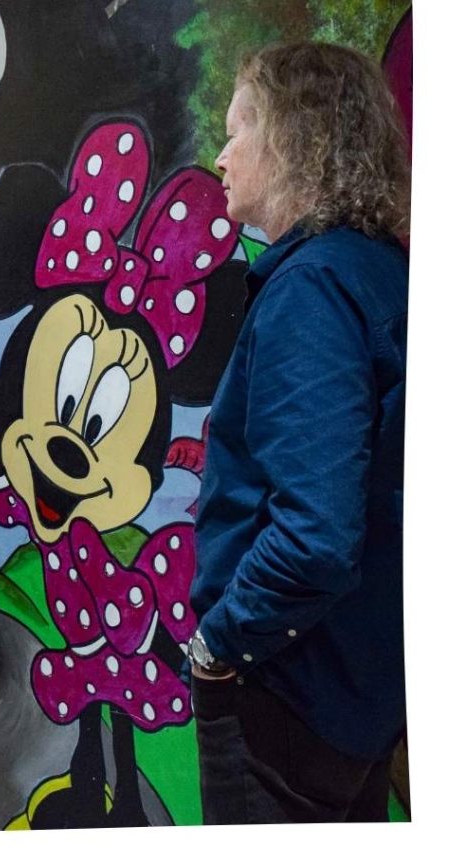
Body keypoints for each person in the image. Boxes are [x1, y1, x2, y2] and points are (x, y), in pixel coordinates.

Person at [188, 41, 410, 824]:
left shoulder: (314, 285)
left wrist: (220, 644)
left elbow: (315, 534)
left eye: (237, 129)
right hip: (361, 685)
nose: (220, 156)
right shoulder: (383, 269)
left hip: (289, 691)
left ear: (289, 139)